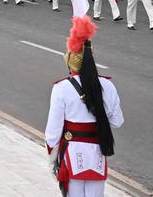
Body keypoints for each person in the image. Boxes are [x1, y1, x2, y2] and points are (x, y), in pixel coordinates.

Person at [44, 17, 123, 197]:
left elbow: (52, 134)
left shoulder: (61, 88)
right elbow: (117, 121)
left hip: (72, 153)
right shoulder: (107, 85)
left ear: (70, 59)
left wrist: (52, 160)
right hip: (97, 152)